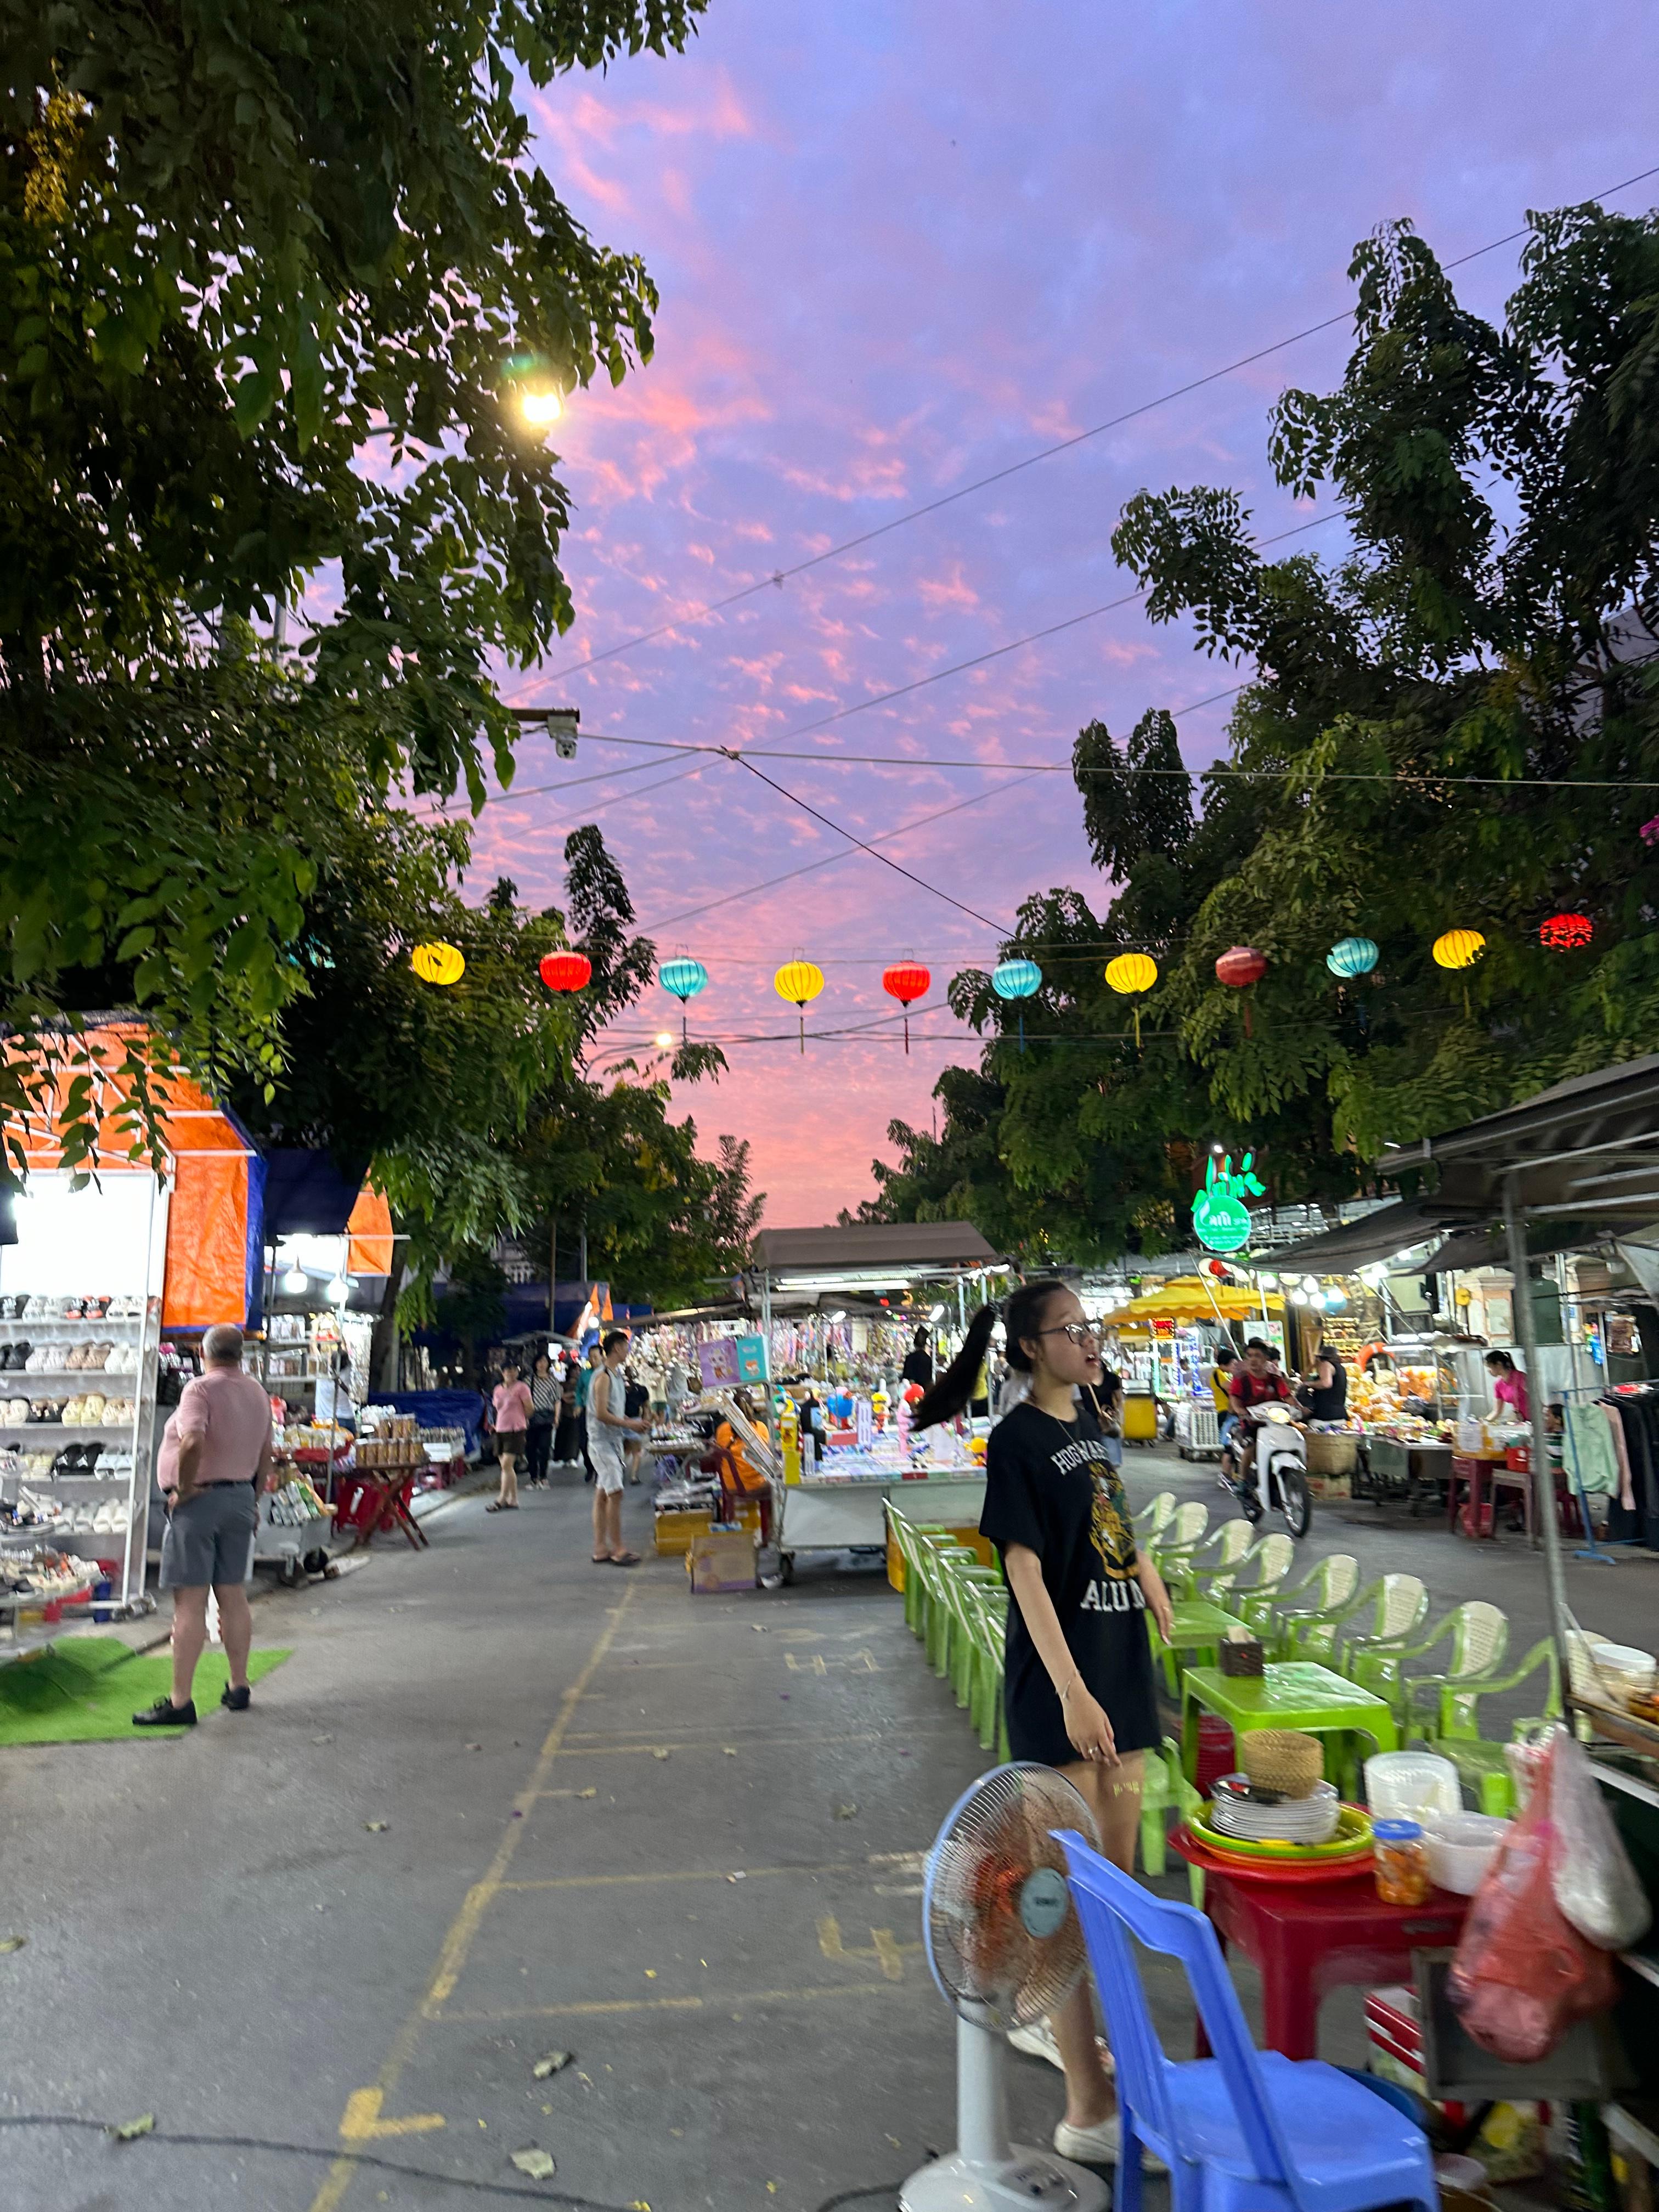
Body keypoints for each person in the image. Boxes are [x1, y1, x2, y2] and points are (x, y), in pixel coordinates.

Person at [913, 1280, 1173, 2170]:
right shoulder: (1017, 1439)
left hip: (1122, 1673)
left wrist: (1147, 1577)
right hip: (1061, 1688)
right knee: (1063, 1899)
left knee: (1117, 1892)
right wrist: (1070, 1692)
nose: (1087, 1340)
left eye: (1087, 1327)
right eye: (1070, 1330)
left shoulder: (1092, 1421)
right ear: (1028, 1347)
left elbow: (1110, 1519)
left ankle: (1099, 2055)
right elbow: (1024, 1574)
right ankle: (1087, 2106)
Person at [134, 1323, 278, 1728]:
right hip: (239, 1499)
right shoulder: (257, 1392)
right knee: (233, 1594)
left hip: (201, 1503)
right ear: (242, 1354)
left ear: (202, 1351)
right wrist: (255, 1499)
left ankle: (181, 1702)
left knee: (190, 1603)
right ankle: (239, 1686)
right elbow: (267, 1452)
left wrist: (184, 1487)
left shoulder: (198, 1390)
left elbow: (193, 1440)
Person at [588, 1329, 646, 1564]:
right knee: (615, 1493)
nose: (628, 1349)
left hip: (612, 1441)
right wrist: (630, 1423)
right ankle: (618, 1548)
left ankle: (601, 1548)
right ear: (617, 1348)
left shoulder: (616, 1376)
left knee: (603, 1495)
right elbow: (601, 1414)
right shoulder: (603, 1377)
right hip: (601, 1443)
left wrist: (632, 1426)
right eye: (626, 1345)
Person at [1227, 1337, 1294, 1502]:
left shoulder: (1275, 1379)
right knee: (1251, 1447)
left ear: (1265, 1359)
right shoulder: (1241, 1378)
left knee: (1296, 1438)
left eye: (1257, 1356)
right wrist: (1241, 1411)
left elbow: (1287, 1396)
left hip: (1275, 1421)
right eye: (1250, 1356)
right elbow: (1235, 1398)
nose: (1253, 1360)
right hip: (1251, 1422)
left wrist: (1300, 1408)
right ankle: (1242, 1481)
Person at [488, 1361, 532, 1512]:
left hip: (516, 1430)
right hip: (500, 1429)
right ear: (503, 1373)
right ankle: (513, 1499)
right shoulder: (498, 1390)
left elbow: (530, 1409)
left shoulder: (522, 1388)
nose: (510, 1373)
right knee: (507, 1467)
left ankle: (501, 1499)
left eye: (513, 1370)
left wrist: (521, 1420)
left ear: (517, 1372)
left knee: (506, 1465)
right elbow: (497, 1409)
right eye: (507, 1370)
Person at [524, 1352, 560, 1487]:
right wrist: (525, 1417)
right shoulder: (529, 1380)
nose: (542, 1364)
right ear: (535, 1364)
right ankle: (534, 1477)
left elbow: (557, 1400)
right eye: (539, 1361)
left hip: (547, 1417)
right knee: (531, 1448)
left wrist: (556, 1417)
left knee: (545, 1447)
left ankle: (544, 1476)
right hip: (532, 1417)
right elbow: (524, 1400)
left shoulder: (553, 1380)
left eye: (544, 1361)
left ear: (548, 1364)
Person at [1296, 1344, 1348, 1424]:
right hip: (1340, 1415)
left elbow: (1326, 1384)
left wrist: (1308, 1384)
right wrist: (1313, 1365)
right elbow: (1303, 1378)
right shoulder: (1341, 1368)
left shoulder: (1326, 1364)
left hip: (1325, 1417)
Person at [575, 1343, 603, 1482]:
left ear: (602, 1357)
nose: (593, 1360)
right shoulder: (585, 1374)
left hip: (602, 1412)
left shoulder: (606, 1374)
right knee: (583, 1442)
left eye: (595, 1357)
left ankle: (600, 1469)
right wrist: (578, 1405)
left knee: (600, 1442)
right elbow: (579, 1391)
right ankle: (590, 1467)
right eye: (591, 1357)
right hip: (587, 1411)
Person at [622, 1364, 651, 1485]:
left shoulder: (620, 1389)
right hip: (634, 1421)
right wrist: (645, 1422)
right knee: (636, 1451)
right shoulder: (641, 1390)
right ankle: (633, 1476)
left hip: (621, 1421)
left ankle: (620, 1470)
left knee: (626, 1450)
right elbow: (647, 1408)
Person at [1486, 1349, 1530, 1424]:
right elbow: (1497, 1411)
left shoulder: (1521, 1377)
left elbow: (1536, 1399)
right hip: (1522, 1422)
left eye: (1489, 1367)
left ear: (1498, 1365)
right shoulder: (1498, 1385)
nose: (1488, 1371)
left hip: (1535, 1421)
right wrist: (1484, 1423)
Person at [900, 1325, 934, 1391]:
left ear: (914, 1345)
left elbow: (905, 1378)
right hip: (924, 1391)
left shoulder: (910, 1358)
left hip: (911, 1390)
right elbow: (929, 1379)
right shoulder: (928, 1359)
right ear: (925, 1345)